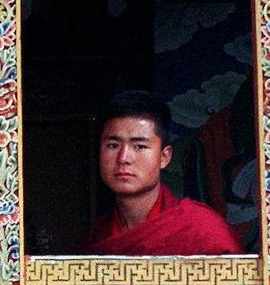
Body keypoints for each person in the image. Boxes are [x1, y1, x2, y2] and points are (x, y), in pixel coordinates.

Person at [83, 90, 242, 255]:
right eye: (113, 145)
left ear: (164, 157)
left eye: (139, 146)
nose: (124, 158)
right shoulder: (97, 237)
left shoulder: (203, 229)